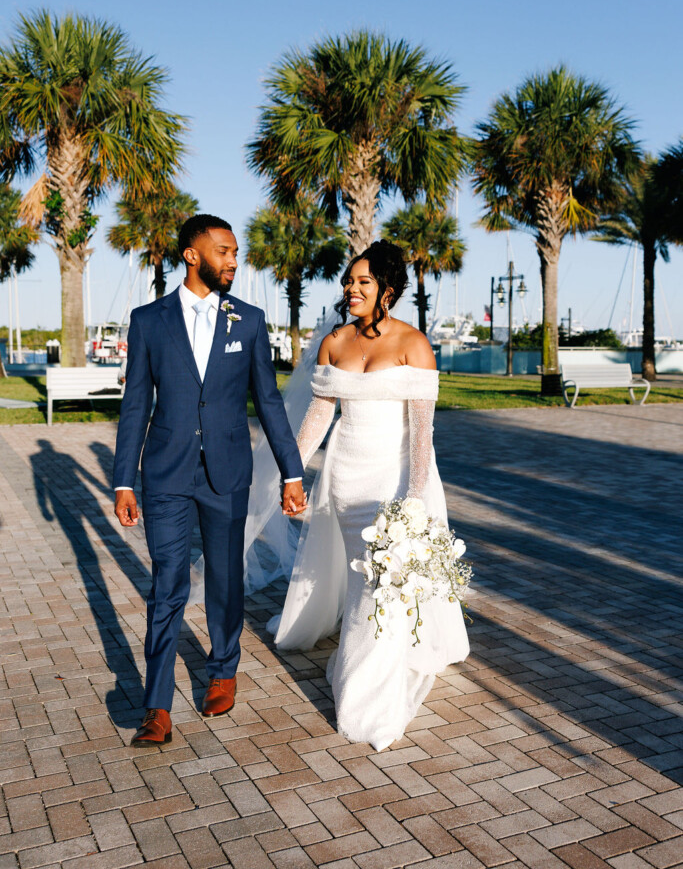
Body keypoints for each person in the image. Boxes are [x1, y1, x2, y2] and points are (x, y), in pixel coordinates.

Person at [268, 240, 470, 751]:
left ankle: (366, 697)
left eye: (363, 282)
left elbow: (421, 436)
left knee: (376, 586)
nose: (351, 289)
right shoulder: (334, 341)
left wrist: (414, 499)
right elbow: (318, 418)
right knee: (358, 580)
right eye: (348, 281)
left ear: (389, 289)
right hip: (343, 477)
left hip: (392, 480)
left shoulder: (414, 344)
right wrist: (290, 475)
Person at [113, 214, 306, 747]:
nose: (233, 261)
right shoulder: (148, 320)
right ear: (192, 254)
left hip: (226, 471)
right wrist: (123, 481)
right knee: (167, 582)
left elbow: (268, 401)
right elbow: (135, 405)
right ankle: (156, 705)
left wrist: (292, 470)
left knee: (225, 577)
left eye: (236, 252)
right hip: (166, 472)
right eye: (223, 250)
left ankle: (223, 668)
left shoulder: (247, 320)